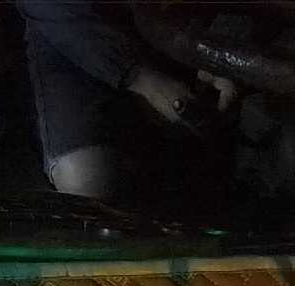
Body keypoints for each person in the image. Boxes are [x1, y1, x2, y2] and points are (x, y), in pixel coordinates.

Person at [17, 1, 236, 201]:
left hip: (177, 25)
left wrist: (217, 56)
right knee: (88, 180)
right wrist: (140, 77)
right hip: (74, 29)